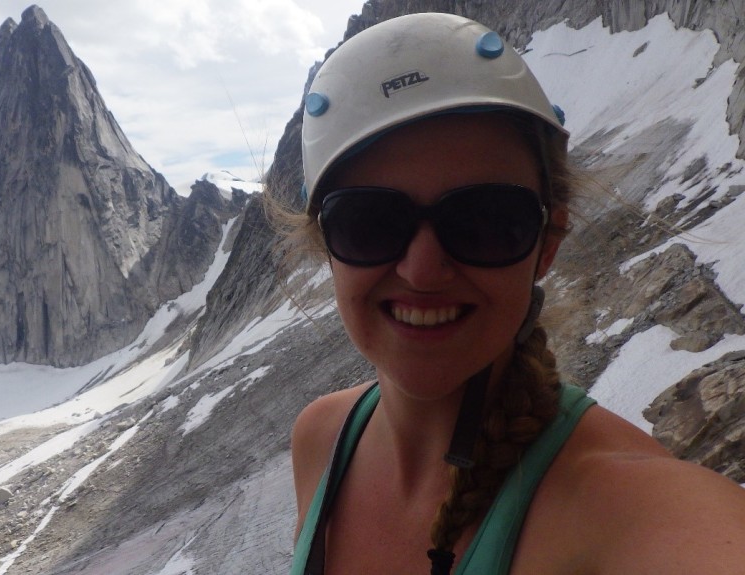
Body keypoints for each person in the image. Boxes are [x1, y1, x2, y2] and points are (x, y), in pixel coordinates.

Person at [280, 12, 745, 575]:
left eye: (487, 219)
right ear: (325, 247)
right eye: (368, 222)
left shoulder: (633, 505)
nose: (423, 271)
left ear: (547, 243)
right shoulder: (320, 440)